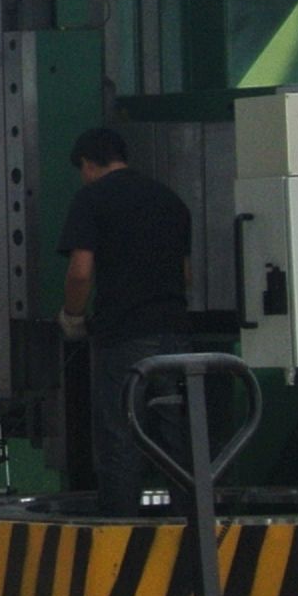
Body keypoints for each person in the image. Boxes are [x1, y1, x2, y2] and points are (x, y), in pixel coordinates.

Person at [60, 125, 196, 512]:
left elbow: (80, 272)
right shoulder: (170, 200)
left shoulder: (91, 199)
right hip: (175, 334)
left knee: (120, 436)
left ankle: (120, 529)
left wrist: (73, 317)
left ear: (87, 163)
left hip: (124, 335)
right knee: (175, 435)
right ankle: (192, 525)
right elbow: (186, 275)